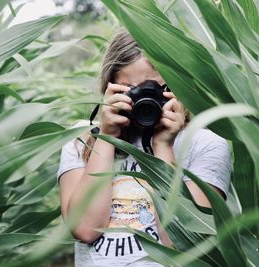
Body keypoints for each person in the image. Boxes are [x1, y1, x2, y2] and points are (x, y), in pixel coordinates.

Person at [57, 30, 231, 266]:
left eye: (155, 90)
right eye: (132, 90)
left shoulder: (206, 145)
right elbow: (85, 229)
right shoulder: (81, 138)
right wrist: (107, 137)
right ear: (110, 89)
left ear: (177, 86)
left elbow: (184, 243)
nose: (144, 102)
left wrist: (163, 146)